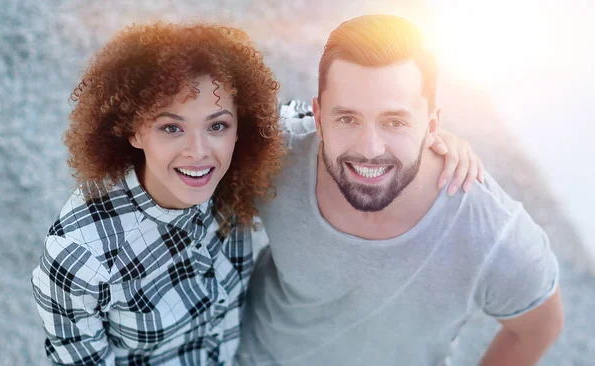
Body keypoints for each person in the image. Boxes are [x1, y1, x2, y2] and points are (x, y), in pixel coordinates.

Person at [30, 20, 479, 365]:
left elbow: (338, 122)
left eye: (218, 125)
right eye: (171, 127)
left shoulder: (242, 162)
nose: (200, 153)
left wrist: (433, 138)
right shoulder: (78, 256)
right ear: (132, 130)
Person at [236, 15, 563, 366]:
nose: (371, 148)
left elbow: (538, 327)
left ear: (431, 125)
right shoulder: (273, 155)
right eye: (347, 118)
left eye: (395, 122)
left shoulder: (493, 232)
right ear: (317, 117)